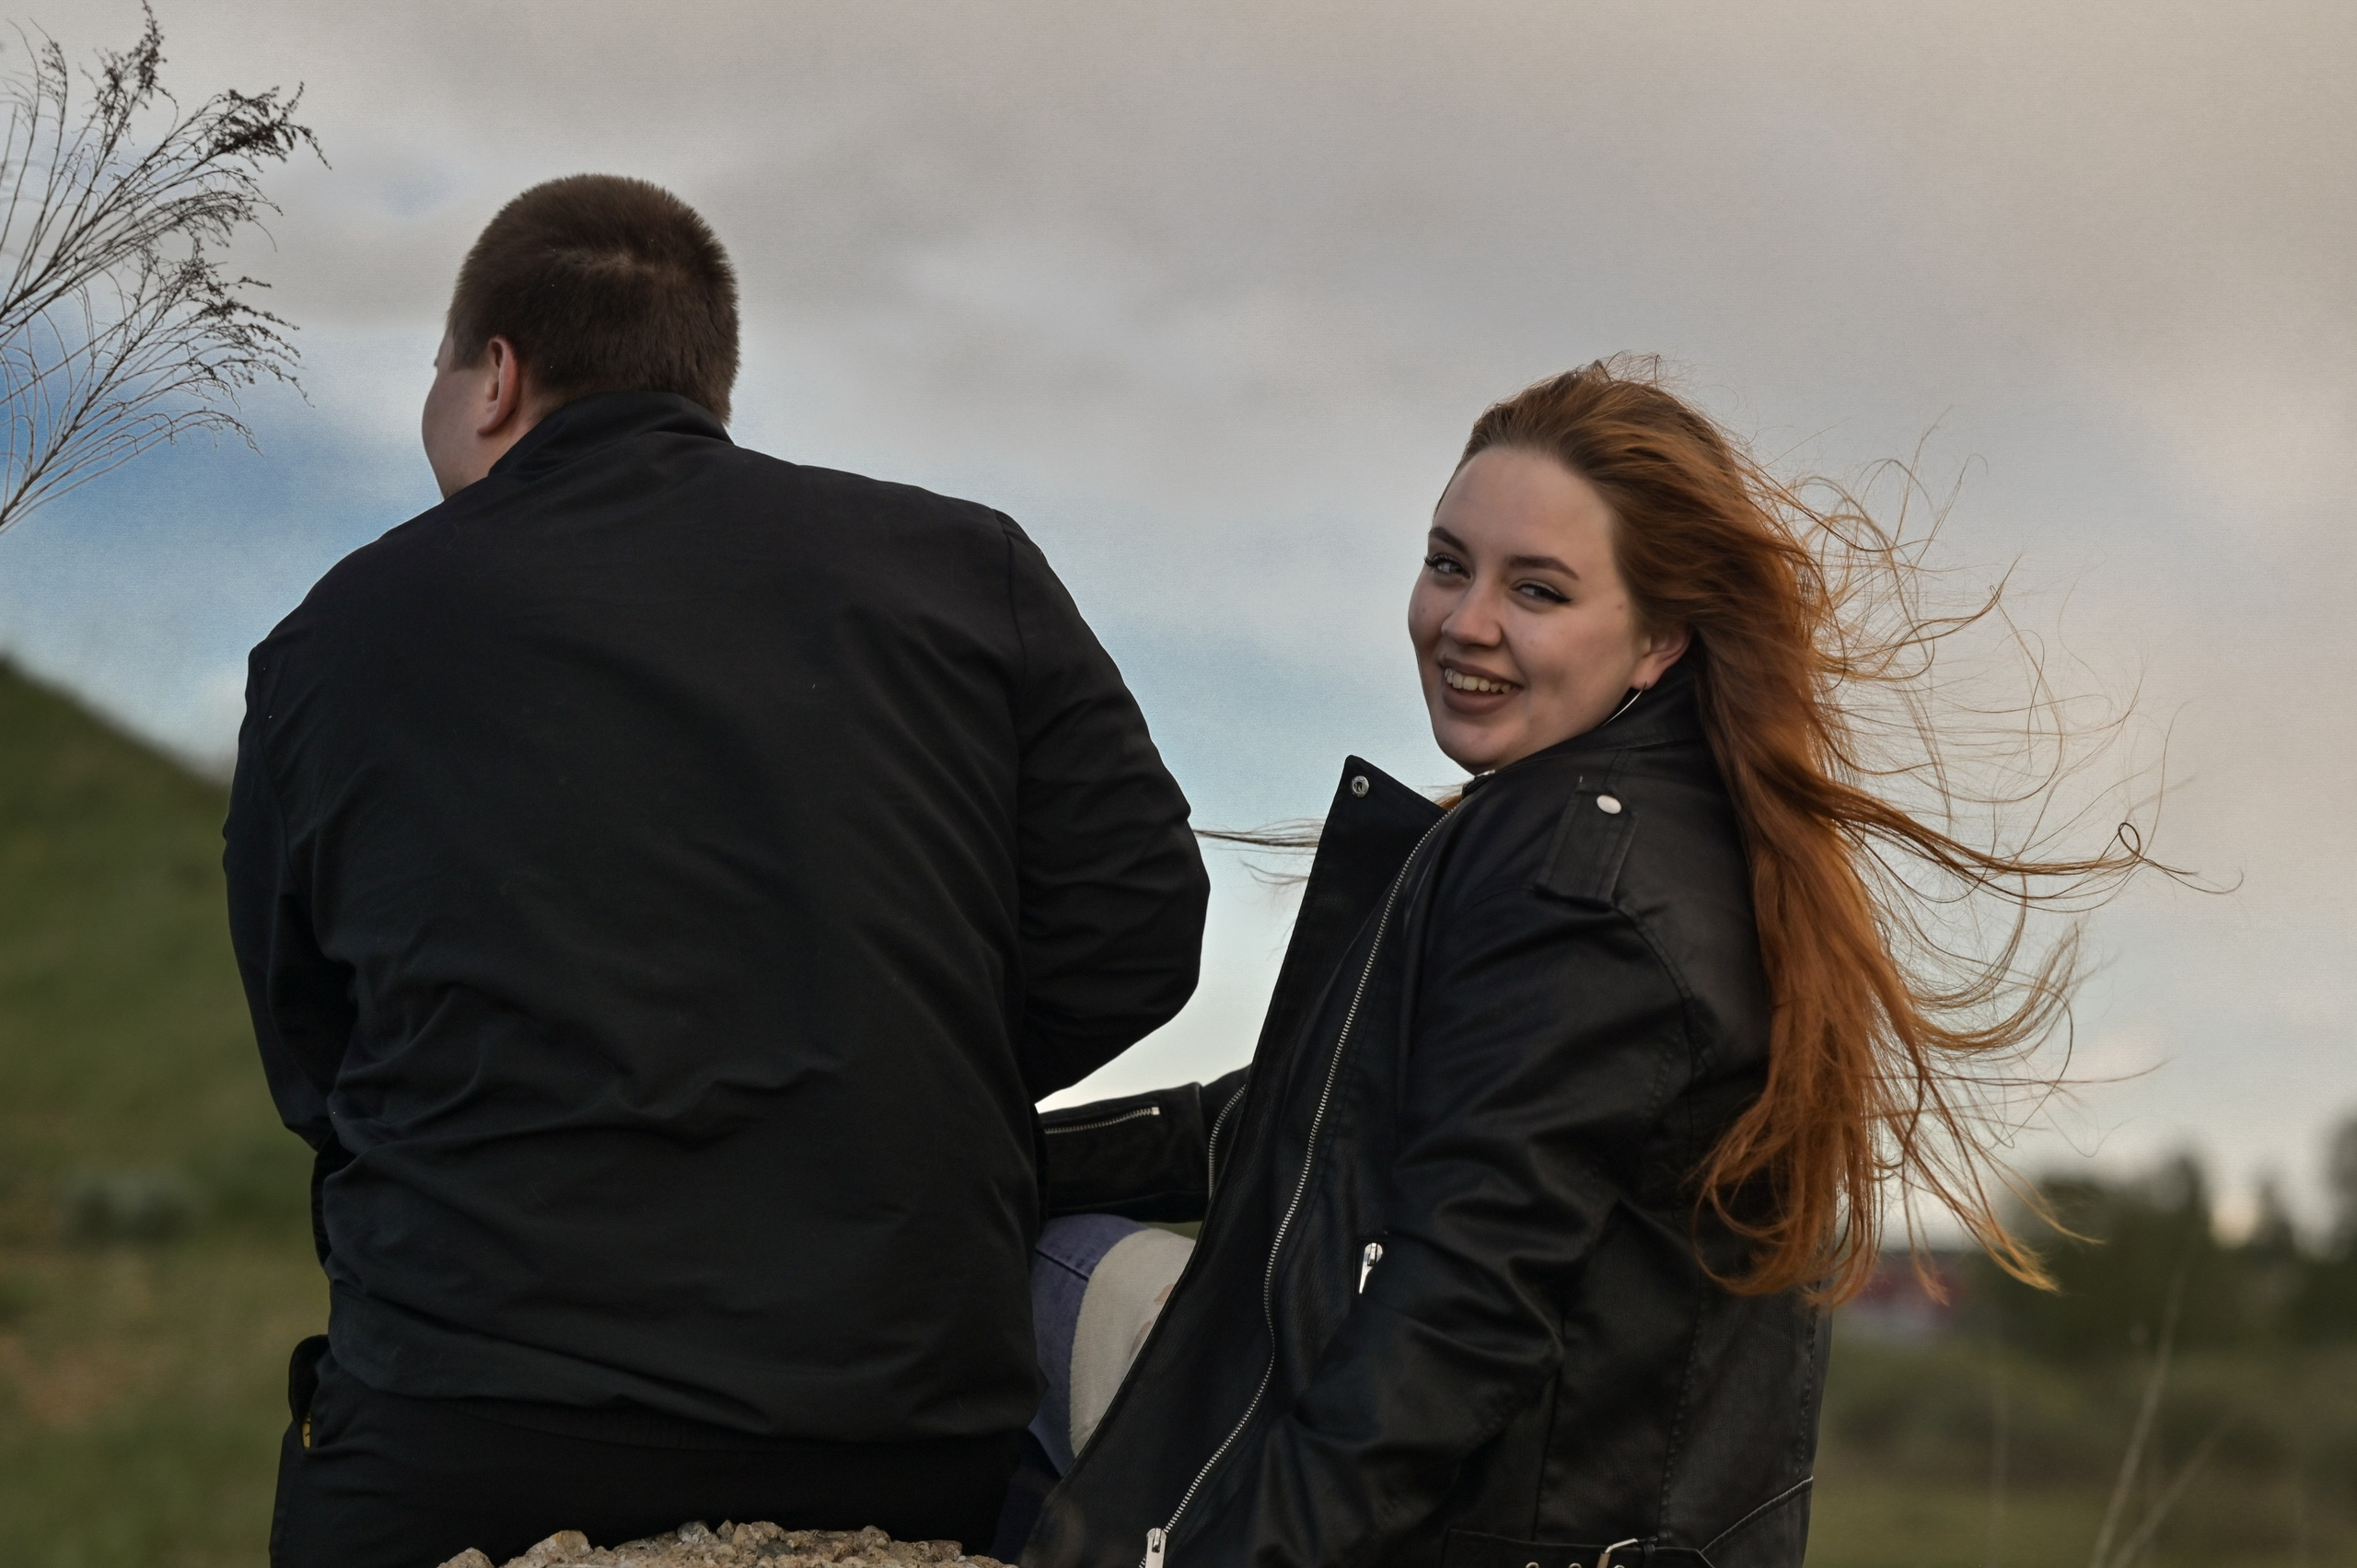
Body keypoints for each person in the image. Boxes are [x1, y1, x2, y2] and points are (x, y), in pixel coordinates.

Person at [224, 174, 1210, 1568]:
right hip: (896, 1422)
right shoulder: (967, 568)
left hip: (464, 1428)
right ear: (710, 387)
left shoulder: (330, 639)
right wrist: (891, 1060)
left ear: (494, 376)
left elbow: (313, 1056)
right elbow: (1143, 930)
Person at [1016, 360, 2149, 1568]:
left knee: (1014, 1273)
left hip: (1488, 1535)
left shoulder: (1574, 880)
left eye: (1538, 590)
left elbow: (1458, 1320)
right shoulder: (1673, 836)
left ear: (1659, 638)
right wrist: (992, 1148)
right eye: (1447, 564)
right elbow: (1300, 1116)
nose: (1466, 623)